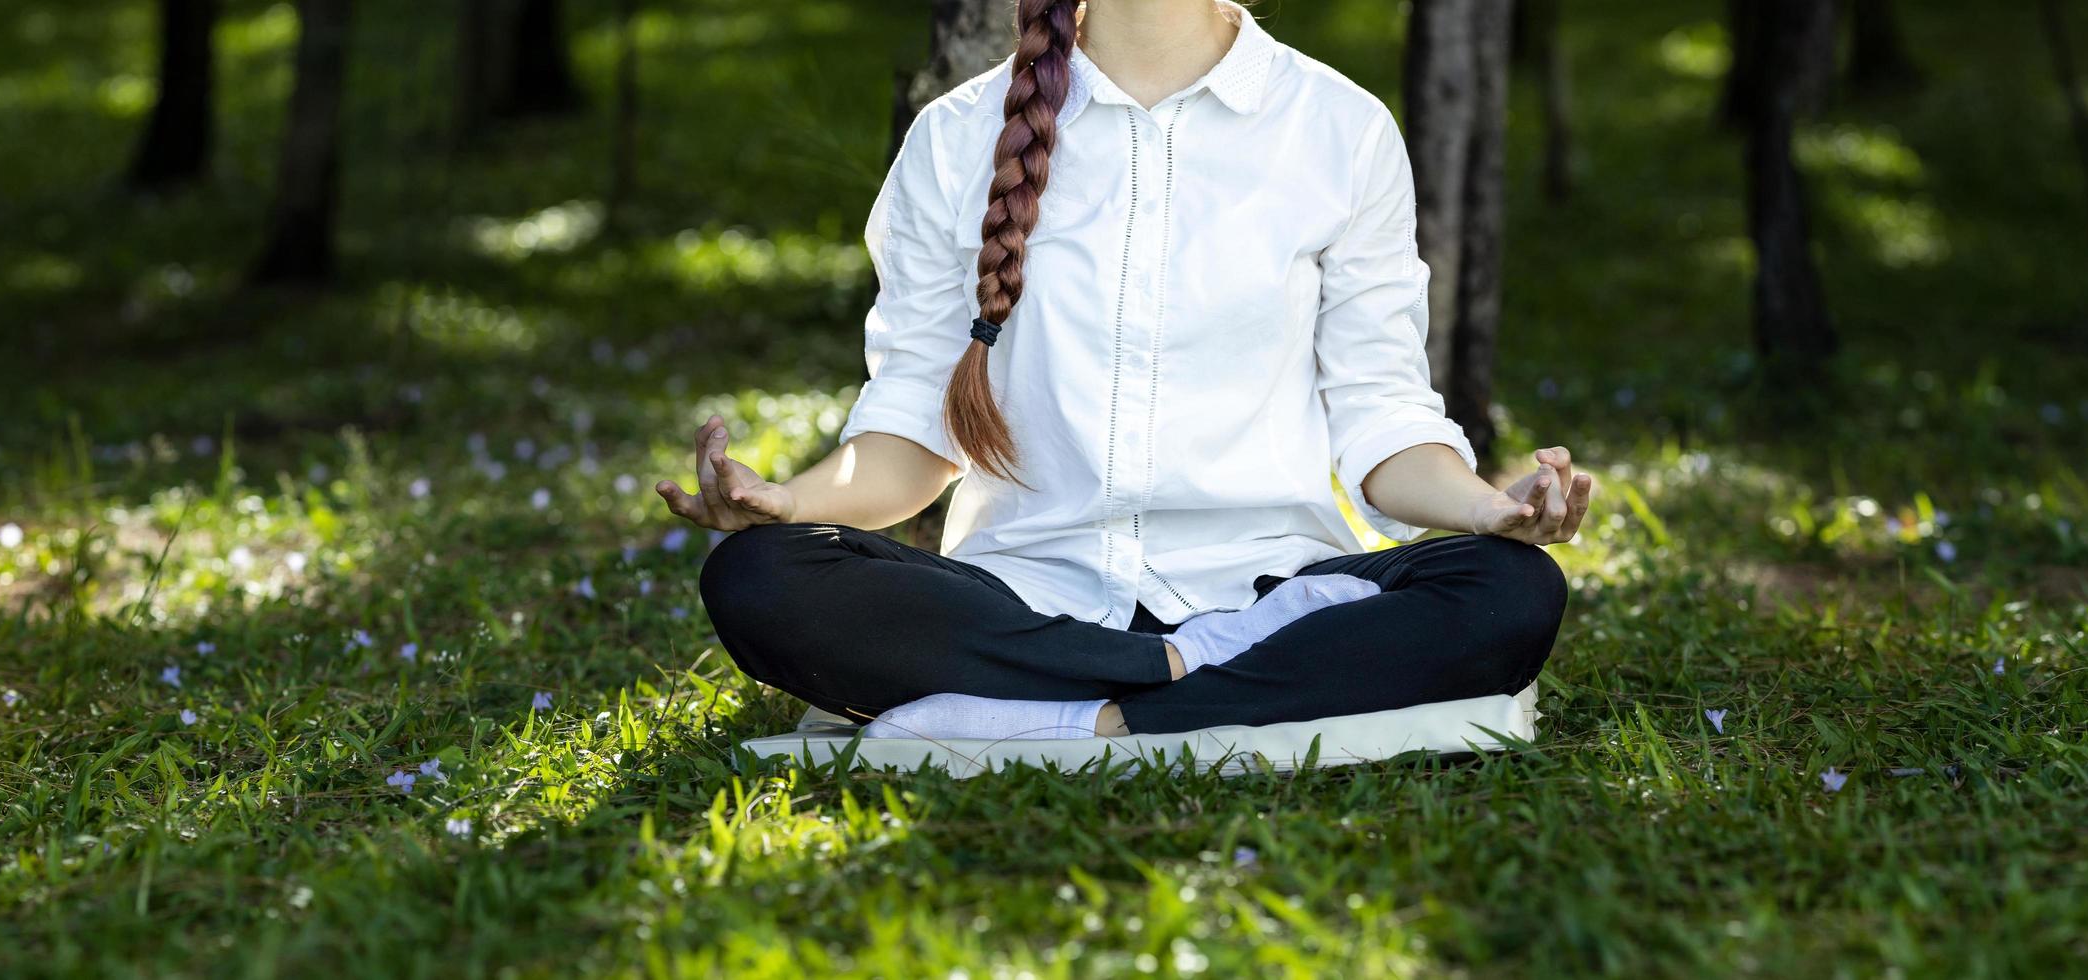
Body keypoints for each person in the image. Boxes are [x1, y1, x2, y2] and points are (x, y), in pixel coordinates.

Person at [661, 0, 1590, 741]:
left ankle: (1078, 718)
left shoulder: (1339, 128)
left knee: (1509, 591)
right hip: (1025, 596)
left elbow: (1379, 409)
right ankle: (1182, 698)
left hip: (1269, 600)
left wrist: (1486, 513)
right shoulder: (956, 136)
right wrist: (795, 503)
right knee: (758, 577)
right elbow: (912, 427)